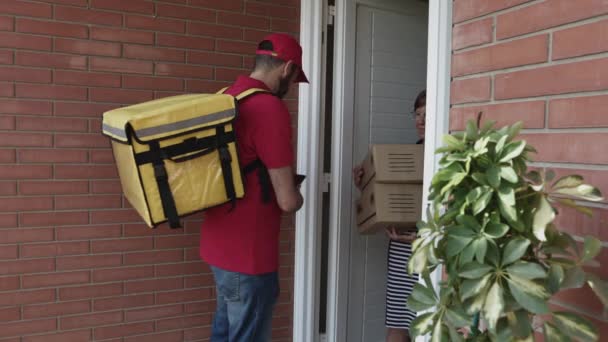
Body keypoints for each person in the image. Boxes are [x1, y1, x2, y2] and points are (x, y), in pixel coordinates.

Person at [200, 33, 307, 342]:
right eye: (295, 77)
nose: (291, 86)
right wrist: (297, 194)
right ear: (287, 68)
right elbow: (287, 201)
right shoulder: (269, 109)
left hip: (217, 245)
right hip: (250, 255)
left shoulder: (226, 96)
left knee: (225, 332)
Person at [353, 90, 426, 342]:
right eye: (417, 114)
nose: (421, 120)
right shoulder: (410, 155)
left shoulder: (448, 156)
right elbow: (386, 195)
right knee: (398, 323)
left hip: (429, 249)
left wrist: (422, 239)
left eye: (427, 113)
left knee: (428, 324)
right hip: (402, 249)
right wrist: (365, 183)